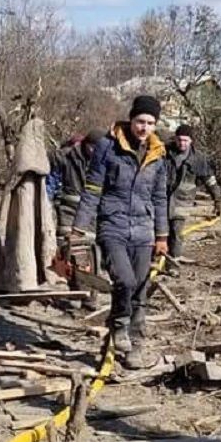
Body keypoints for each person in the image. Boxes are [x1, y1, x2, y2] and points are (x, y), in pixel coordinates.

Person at [72, 96, 168, 369]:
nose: (144, 127)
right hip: (112, 225)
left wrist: (162, 236)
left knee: (139, 289)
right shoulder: (107, 146)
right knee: (124, 280)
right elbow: (92, 189)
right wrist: (78, 228)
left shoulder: (158, 154)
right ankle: (120, 326)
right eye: (140, 121)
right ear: (131, 119)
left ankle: (135, 345)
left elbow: (160, 198)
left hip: (143, 230)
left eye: (150, 123)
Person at [165, 124, 221, 259]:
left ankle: (173, 261)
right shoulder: (164, 153)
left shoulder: (199, 158)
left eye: (185, 140)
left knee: (176, 232)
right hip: (162, 199)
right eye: (179, 140)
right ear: (175, 139)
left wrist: (217, 200)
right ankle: (156, 260)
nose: (182, 143)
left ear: (191, 140)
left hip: (183, 201)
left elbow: (210, 180)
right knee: (160, 231)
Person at [47, 129, 108, 238]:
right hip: (66, 208)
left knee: (89, 243)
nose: (95, 151)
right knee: (66, 240)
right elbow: (52, 182)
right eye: (92, 147)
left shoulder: (106, 163)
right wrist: (48, 203)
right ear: (86, 143)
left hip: (92, 213)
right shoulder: (66, 156)